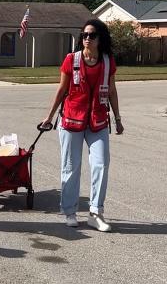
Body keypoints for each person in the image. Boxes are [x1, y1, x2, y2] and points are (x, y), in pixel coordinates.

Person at [40, 19, 123, 231]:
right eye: (84, 35)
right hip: (71, 121)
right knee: (70, 166)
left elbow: (112, 91)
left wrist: (118, 119)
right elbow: (61, 90)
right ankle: (69, 211)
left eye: (92, 35)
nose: (87, 38)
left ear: (100, 38)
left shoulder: (107, 61)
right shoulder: (71, 59)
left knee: (101, 164)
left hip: (98, 121)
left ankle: (96, 212)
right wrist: (49, 117)